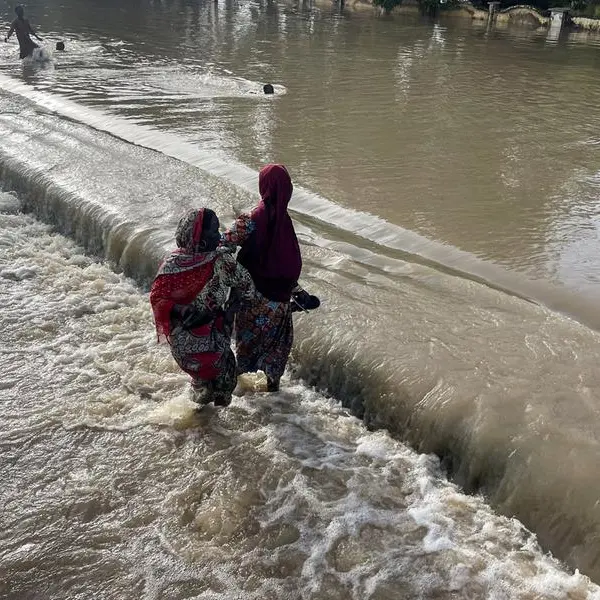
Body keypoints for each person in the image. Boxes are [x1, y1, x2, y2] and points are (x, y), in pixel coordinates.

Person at [222, 164, 317, 392]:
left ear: (263, 186)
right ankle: (273, 394)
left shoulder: (253, 219)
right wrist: (297, 292)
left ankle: (231, 391)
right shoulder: (284, 221)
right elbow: (286, 264)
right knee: (277, 348)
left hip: (251, 296)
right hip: (280, 301)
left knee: (246, 346)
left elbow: (225, 244)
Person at [150, 208, 254, 407]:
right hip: (212, 343)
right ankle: (218, 434)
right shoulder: (221, 262)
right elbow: (247, 285)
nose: (219, 235)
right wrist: (230, 312)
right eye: (214, 231)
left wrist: (180, 310)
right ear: (202, 239)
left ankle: (199, 420)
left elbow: (157, 298)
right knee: (225, 381)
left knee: (203, 387)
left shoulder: (172, 264)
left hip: (183, 349)